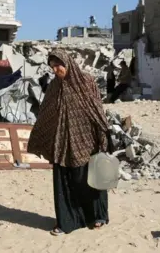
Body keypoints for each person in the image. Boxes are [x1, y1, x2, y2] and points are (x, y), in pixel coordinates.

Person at [27, 49, 112, 236]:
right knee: (66, 182)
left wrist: (103, 137)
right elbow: (46, 114)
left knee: (89, 181)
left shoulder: (87, 82)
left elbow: (97, 110)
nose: (56, 69)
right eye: (52, 66)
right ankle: (67, 222)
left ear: (68, 63)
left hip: (87, 141)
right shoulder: (54, 87)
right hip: (63, 142)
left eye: (59, 65)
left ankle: (97, 216)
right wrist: (41, 135)